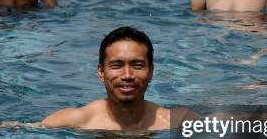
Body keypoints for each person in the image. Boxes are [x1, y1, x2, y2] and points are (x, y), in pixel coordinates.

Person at [39, 26, 170, 130]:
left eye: (137, 65)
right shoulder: (75, 121)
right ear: (101, 72)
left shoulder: (171, 122)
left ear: (151, 72)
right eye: (116, 65)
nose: (127, 75)